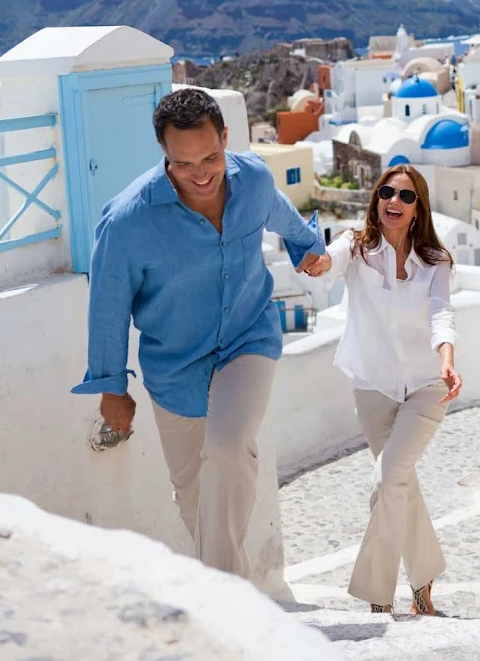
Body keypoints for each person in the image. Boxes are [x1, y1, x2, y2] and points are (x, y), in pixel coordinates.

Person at [72, 87, 324, 577]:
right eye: (184, 164)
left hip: (248, 338)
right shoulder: (127, 222)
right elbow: (108, 308)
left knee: (229, 448)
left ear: (225, 138)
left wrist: (309, 247)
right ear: (164, 154)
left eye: (210, 157)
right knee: (195, 499)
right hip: (175, 366)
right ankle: (230, 588)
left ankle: (236, 612)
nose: (201, 174)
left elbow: (283, 218)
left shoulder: (251, 178)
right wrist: (111, 388)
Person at [305, 164, 462, 616]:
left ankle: (377, 596)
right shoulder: (356, 247)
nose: (394, 201)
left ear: (418, 209)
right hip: (373, 388)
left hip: (428, 385)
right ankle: (424, 581)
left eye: (406, 196)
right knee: (400, 483)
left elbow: (441, 316)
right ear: (377, 199)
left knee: (387, 476)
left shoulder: (435, 262)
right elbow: (327, 262)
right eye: (387, 192)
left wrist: (448, 360)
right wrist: (315, 261)